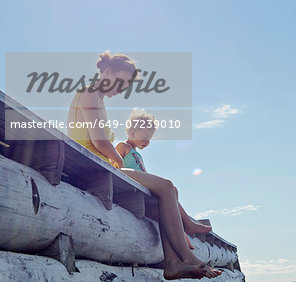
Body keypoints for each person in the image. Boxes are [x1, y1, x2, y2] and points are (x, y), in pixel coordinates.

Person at [68, 52, 222, 280]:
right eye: (120, 81)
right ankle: (187, 257)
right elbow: (99, 140)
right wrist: (118, 161)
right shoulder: (89, 93)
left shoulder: (98, 99)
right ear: (107, 72)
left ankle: (172, 263)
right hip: (95, 167)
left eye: (126, 86)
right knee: (167, 186)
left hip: (105, 165)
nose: (121, 89)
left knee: (168, 193)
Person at [115, 108, 213, 249]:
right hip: (133, 183)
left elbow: (143, 172)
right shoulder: (122, 146)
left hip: (143, 182)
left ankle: (182, 228)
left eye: (149, 139)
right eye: (145, 137)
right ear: (132, 132)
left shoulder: (137, 154)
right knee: (169, 188)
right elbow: (117, 166)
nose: (147, 142)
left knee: (172, 189)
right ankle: (187, 226)